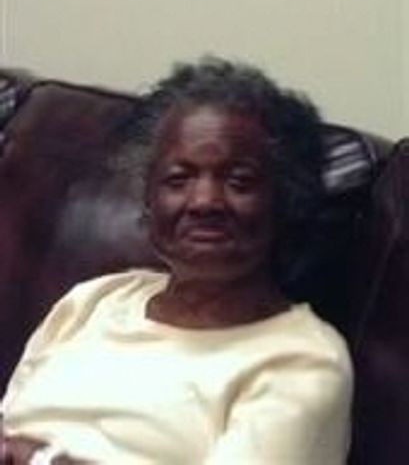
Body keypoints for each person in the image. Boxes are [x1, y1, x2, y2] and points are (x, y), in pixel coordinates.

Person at [1, 57, 352, 464]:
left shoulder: (301, 363)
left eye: (238, 180)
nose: (204, 201)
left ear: (286, 199)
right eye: (178, 179)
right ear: (149, 200)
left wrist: (43, 460)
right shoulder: (93, 301)